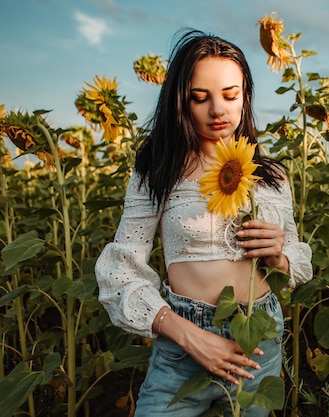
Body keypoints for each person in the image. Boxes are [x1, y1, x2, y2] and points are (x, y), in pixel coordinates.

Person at [95, 29, 313, 417]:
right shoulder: (157, 174)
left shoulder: (272, 177)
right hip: (182, 342)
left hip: (258, 338)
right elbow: (121, 269)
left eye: (231, 95)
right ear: (181, 101)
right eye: (200, 97)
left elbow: (295, 261)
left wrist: (278, 255)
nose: (218, 110)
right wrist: (189, 336)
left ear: (246, 94)